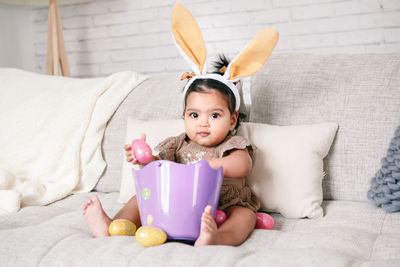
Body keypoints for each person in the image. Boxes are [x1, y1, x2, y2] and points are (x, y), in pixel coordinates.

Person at [83, 3, 278, 247]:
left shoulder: (232, 143)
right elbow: (159, 165)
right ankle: (116, 226)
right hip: (179, 203)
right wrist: (144, 159)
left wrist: (209, 165)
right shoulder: (178, 144)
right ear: (184, 115)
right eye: (194, 115)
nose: (203, 123)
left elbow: (243, 165)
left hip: (224, 206)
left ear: (233, 120)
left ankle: (218, 237)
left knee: (245, 216)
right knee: (140, 197)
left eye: (214, 116)